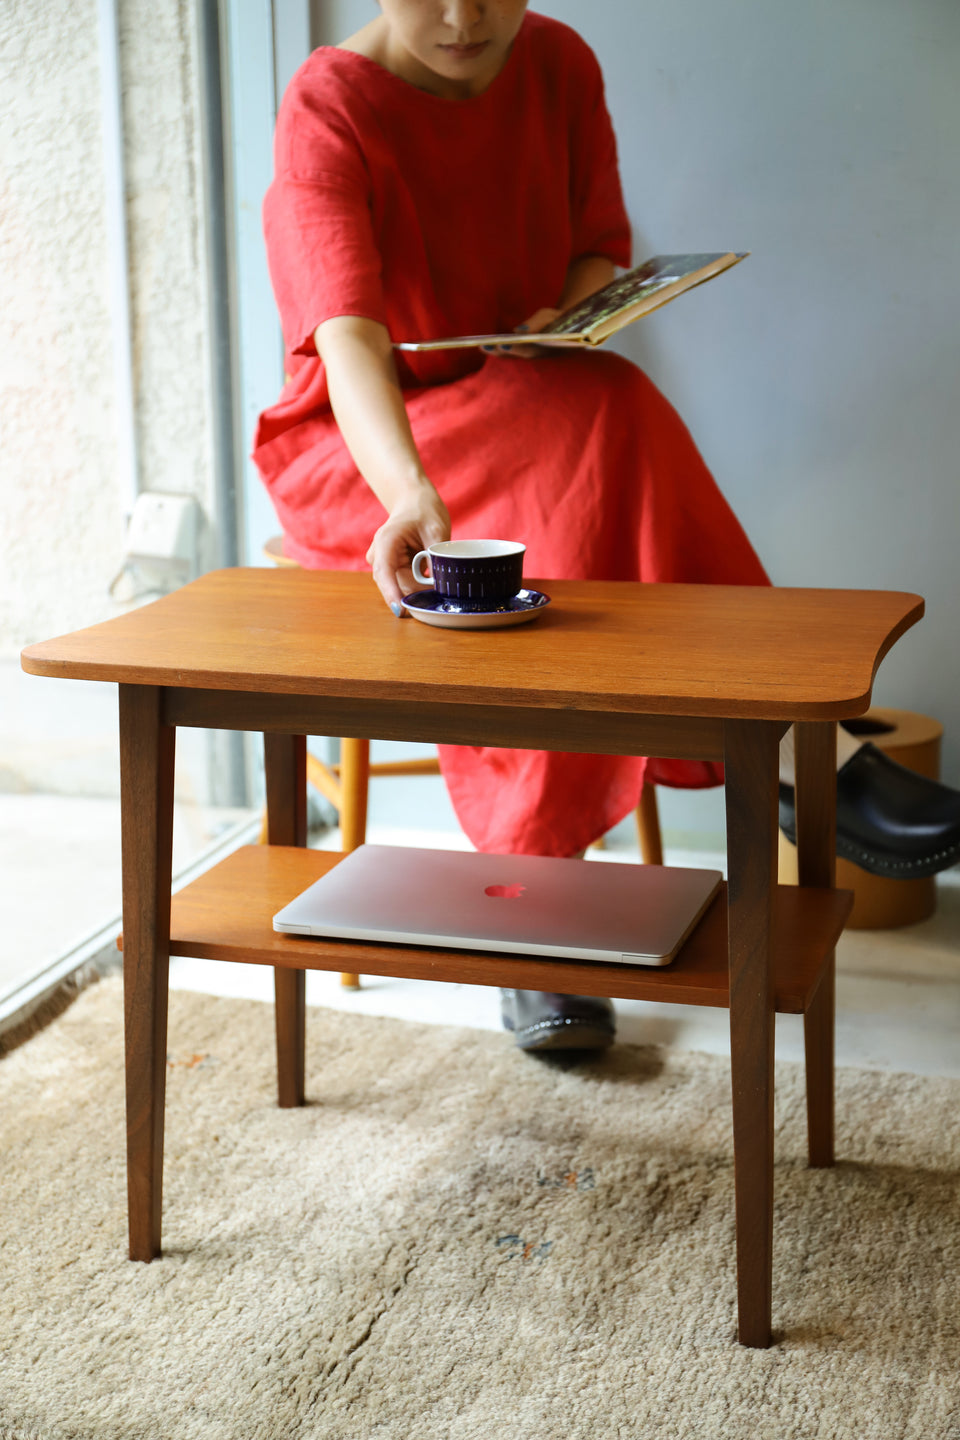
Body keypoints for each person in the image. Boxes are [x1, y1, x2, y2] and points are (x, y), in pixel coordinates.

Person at [254, 1, 960, 1051]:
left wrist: (570, 319)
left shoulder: (559, 64)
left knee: (592, 425)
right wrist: (406, 488)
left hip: (529, 409)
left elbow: (594, 250)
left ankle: (539, 910)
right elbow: (346, 334)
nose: (462, 16)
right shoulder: (328, 103)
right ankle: (797, 745)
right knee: (597, 433)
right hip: (369, 450)